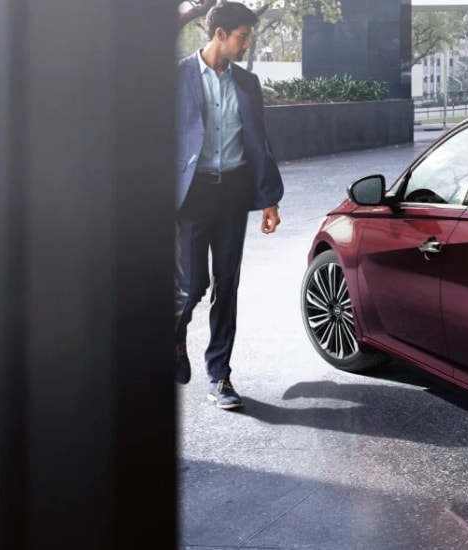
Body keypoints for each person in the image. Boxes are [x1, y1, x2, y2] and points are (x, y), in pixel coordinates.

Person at [174, 1, 283, 410]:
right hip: (191, 197)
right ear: (220, 34)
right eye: (242, 36)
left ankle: (219, 375)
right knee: (191, 286)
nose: (246, 43)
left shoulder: (247, 83)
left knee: (227, 284)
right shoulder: (176, 77)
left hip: (233, 193)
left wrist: (269, 198)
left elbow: (259, 142)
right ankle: (174, 338)